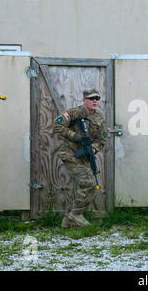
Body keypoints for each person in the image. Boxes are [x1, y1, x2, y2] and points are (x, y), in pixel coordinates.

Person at [52, 88, 108, 228]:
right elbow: (57, 126)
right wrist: (74, 137)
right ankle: (75, 214)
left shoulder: (99, 118)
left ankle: (67, 220)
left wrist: (91, 149)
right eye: (91, 98)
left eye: (97, 98)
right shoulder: (73, 113)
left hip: (86, 157)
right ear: (84, 100)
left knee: (89, 184)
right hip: (70, 155)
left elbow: (102, 140)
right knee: (89, 183)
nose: (94, 101)